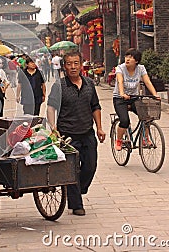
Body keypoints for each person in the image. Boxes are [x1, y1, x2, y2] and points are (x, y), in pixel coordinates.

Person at [47, 51, 106, 216]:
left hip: (87, 132)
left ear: (81, 65)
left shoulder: (89, 83)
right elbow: (51, 107)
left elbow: (95, 106)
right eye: (69, 64)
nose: (73, 67)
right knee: (72, 169)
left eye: (76, 63)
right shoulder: (59, 86)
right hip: (67, 135)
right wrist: (53, 127)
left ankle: (78, 189)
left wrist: (99, 127)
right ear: (64, 66)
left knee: (90, 166)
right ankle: (76, 204)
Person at [113, 48, 160, 150]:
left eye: (131, 57)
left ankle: (145, 138)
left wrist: (155, 94)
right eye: (126, 56)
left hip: (134, 98)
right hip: (120, 99)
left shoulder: (141, 68)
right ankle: (119, 140)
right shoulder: (120, 68)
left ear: (137, 61)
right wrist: (122, 93)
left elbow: (147, 82)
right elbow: (120, 81)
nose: (127, 59)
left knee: (146, 117)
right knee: (124, 121)